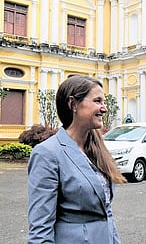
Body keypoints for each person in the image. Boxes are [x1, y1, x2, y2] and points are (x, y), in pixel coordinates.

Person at [28, 75, 126, 244]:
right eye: (97, 101)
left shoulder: (97, 149)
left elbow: (106, 212)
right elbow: (40, 228)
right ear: (73, 104)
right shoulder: (47, 153)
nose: (104, 108)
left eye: (104, 102)